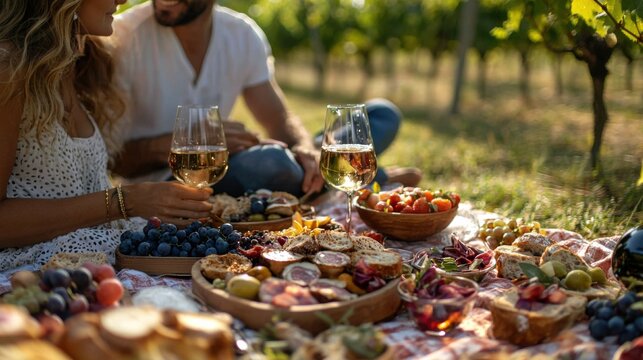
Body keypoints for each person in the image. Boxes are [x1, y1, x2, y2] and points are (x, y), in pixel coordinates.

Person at [110, 0, 422, 198]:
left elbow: (278, 120)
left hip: (224, 166)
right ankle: (365, 178)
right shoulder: (122, 38)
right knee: (271, 164)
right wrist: (180, 144)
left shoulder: (242, 34)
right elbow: (111, 160)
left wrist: (304, 147)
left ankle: (325, 174)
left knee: (381, 114)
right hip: (163, 182)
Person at [0, 0, 214, 271]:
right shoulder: (9, 70)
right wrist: (126, 201)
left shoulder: (76, 64)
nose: (123, 0)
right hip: (42, 274)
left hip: (105, 259)